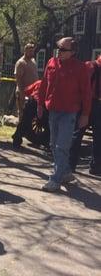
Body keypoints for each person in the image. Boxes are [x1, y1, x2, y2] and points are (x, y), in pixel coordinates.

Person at [37, 37, 91, 192]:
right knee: (53, 144)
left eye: (63, 49)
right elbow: (44, 84)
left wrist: (85, 114)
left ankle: (55, 179)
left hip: (69, 113)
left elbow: (86, 93)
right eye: (58, 48)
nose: (58, 52)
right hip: (53, 110)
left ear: (72, 52)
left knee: (62, 146)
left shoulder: (80, 68)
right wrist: (40, 104)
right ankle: (66, 171)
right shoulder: (51, 63)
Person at [69, 53, 101, 175]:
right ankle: (72, 164)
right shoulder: (90, 66)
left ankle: (94, 166)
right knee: (79, 134)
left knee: (94, 136)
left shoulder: (90, 66)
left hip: (94, 104)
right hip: (90, 102)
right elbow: (83, 85)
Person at [12, 43, 39, 148]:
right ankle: (17, 138)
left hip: (34, 93)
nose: (32, 52)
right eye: (30, 51)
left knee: (30, 117)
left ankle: (30, 135)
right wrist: (22, 93)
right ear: (25, 50)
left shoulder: (33, 61)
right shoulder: (21, 63)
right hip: (24, 93)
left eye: (33, 50)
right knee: (22, 115)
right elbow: (18, 79)